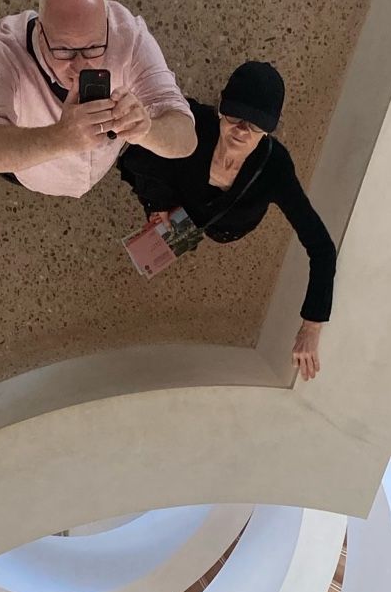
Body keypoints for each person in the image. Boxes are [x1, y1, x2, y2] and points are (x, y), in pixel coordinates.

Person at [118, 61, 335, 380]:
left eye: (256, 126)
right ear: (221, 108)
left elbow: (321, 248)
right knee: (166, 201)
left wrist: (312, 326)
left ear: (268, 129)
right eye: (234, 117)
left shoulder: (275, 166)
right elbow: (141, 162)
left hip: (230, 225)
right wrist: (159, 205)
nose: (242, 132)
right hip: (184, 206)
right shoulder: (193, 124)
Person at [0, 0, 195, 197]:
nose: (81, 66)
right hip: (35, 170)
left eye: (93, 47)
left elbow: (186, 138)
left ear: (106, 26)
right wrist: (60, 137)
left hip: (101, 164)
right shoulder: (0, 48)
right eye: (64, 50)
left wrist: (147, 129)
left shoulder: (128, 33)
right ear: (40, 33)